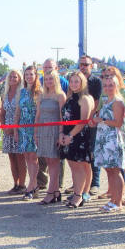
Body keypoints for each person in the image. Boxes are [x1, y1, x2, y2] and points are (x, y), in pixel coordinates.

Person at [100, 67, 125, 205]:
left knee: (123, 164)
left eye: (110, 76)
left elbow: (123, 116)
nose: (107, 78)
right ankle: (113, 193)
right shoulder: (105, 95)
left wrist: (104, 120)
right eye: (104, 76)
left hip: (120, 133)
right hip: (107, 134)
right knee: (110, 167)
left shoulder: (123, 93)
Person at [59, 71, 94, 208]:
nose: (73, 84)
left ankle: (80, 195)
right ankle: (77, 192)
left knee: (80, 166)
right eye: (72, 81)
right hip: (67, 136)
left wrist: (70, 136)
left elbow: (83, 121)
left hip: (79, 137)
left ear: (82, 82)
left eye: (77, 81)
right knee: (73, 167)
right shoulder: (69, 97)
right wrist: (62, 134)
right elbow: (64, 118)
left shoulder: (85, 98)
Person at [92, 76, 125, 212]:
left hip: (113, 140)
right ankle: (113, 199)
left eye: (111, 85)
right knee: (109, 171)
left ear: (116, 86)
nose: (108, 88)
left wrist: (102, 120)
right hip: (104, 139)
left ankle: (118, 202)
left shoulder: (117, 102)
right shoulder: (106, 101)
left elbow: (118, 123)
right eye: (105, 85)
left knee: (115, 171)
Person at [37, 58, 69, 191]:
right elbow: (38, 115)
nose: (48, 81)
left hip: (55, 131)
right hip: (43, 131)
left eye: (51, 79)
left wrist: (60, 133)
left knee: (55, 162)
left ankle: (53, 190)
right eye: (46, 79)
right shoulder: (41, 95)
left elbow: (62, 116)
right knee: (48, 161)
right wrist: (36, 133)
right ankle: (53, 190)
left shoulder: (61, 95)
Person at [14, 65, 41, 200]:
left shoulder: (39, 92)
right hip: (22, 128)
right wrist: (15, 129)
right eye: (27, 74)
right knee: (27, 158)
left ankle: (31, 187)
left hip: (34, 128)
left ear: (36, 76)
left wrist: (36, 130)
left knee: (33, 158)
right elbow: (17, 111)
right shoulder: (22, 92)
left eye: (31, 74)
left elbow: (40, 113)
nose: (29, 77)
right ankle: (34, 185)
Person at [78, 56, 103, 196]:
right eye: (81, 64)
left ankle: (95, 183)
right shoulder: (77, 80)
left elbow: (96, 101)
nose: (83, 66)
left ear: (91, 66)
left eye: (86, 64)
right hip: (78, 122)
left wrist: (89, 118)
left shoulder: (96, 81)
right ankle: (80, 182)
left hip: (91, 121)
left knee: (92, 151)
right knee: (79, 152)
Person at [0, 70, 26, 194]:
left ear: (19, 78)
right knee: (11, 158)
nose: (12, 79)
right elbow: (2, 113)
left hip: (19, 130)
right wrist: (4, 128)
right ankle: (15, 183)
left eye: (15, 77)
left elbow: (22, 113)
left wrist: (15, 128)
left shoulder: (22, 93)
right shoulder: (5, 94)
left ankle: (22, 185)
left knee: (20, 158)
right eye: (10, 76)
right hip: (7, 131)